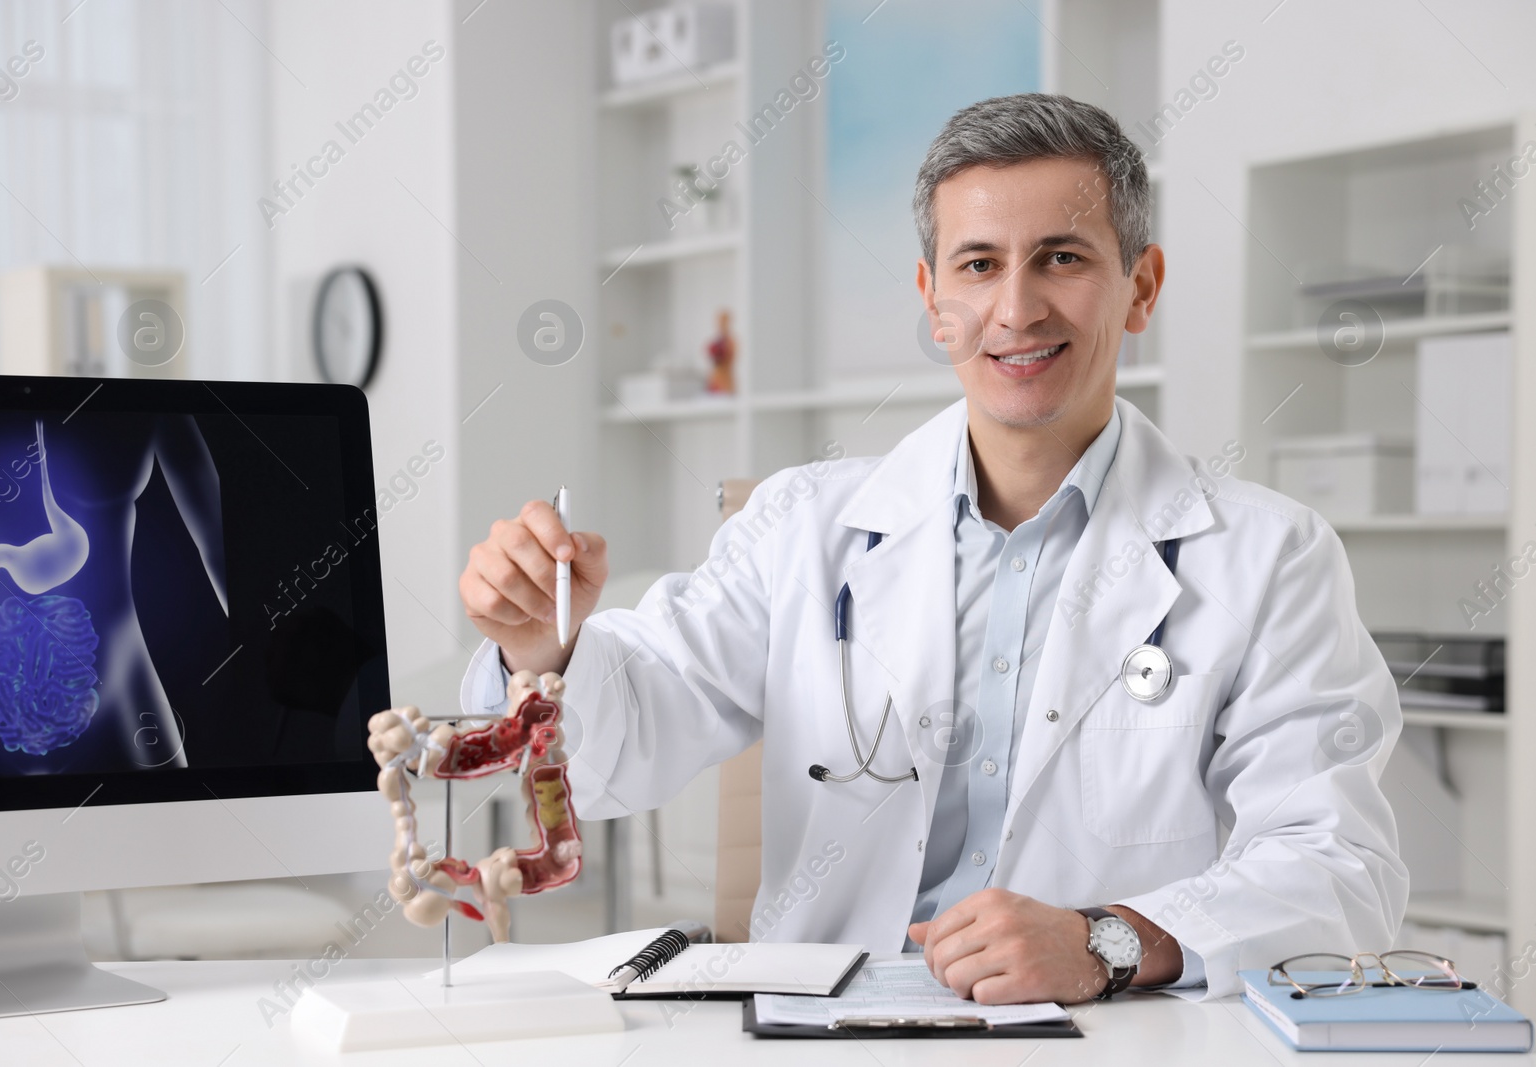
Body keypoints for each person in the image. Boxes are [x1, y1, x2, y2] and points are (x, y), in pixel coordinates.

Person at [454, 94, 1407, 1004]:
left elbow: (1337, 864)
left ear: (1141, 287)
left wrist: (1108, 938)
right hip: (823, 1028)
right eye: (980, 264)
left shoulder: (1269, 556)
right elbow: (626, 745)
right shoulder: (801, 525)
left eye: (1063, 258)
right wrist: (543, 646)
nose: (1018, 307)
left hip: (1110, 1030)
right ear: (934, 298)